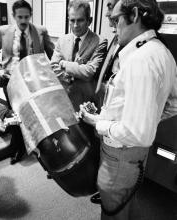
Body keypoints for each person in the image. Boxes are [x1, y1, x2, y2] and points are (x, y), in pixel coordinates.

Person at [80, 0, 177, 219]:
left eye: (115, 19)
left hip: (119, 157)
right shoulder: (163, 52)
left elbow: (137, 132)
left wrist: (99, 123)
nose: (113, 26)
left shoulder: (139, 60)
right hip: (135, 156)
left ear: (133, 14)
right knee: (125, 206)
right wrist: (147, 119)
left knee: (113, 211)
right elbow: (174, 102)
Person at [0, 0, 54, 165]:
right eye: (20, 17)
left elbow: (53, 54)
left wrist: (51, 72)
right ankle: (18, 148)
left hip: (34, 82)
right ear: (13, 16)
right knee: (16, 116)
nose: (23, 20)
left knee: (36, 114)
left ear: (30, 15)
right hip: (11, 82)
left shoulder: (40, 31)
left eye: (26, 16)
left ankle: (39, 145)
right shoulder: (4, 31)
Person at [51, 0, 107, 111]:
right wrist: (74, 73)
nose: (76, 25)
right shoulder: (62, 40)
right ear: (68, 20)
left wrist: (64, 64)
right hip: (63, 99)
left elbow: (89, 72)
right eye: (72, 20)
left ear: (89, 21)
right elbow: (53, 67)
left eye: (80, 20)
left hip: (85, 103)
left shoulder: (99, 42)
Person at [90, 0, 120, 205]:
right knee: (103, 147)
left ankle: (109, 192)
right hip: (105, 100)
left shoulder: (135, 45)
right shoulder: (116, 38)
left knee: (114, 154)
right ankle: (104, 187)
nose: (107, 14)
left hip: (119, 113)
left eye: (111, 7)